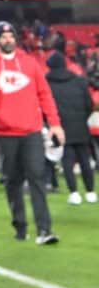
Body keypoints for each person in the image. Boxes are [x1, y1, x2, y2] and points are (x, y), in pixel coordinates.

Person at [0, 21, 65, 244]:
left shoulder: (29, 63)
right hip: (5, 133)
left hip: (32, 130)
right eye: (3, 37)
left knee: (37, 178)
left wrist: (54, 123)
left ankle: (45, 230)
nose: (8, 40)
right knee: (12, 180)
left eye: (11, 36)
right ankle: (20, 225)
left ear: (16, 38)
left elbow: (45, 95)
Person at [44, 51, 96, 204]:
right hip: (80, 126)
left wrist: (51, 125)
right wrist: (81, 119)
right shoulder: (79, 81)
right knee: (84, 160)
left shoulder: (47, 82)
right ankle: (90, 192)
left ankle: (74, 194)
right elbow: (89, 105)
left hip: (60, 127)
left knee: (67, 160)